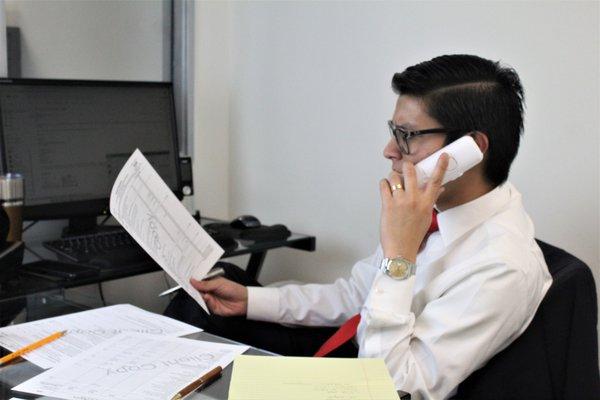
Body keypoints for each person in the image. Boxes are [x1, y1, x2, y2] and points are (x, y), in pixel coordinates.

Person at [165, 54, 552, 399]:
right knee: (204, 303)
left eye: (408, 136)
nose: (389, 150)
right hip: (353, 348)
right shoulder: (432, 212)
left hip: (372, 378)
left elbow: (391, 387)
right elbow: (356, 295)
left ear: (470, 149)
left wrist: (400, 257)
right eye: (393, 130)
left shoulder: (501, 267)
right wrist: (250, 301)